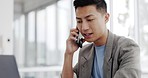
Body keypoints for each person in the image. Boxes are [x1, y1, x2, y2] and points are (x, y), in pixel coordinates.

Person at [61, 0, 141, 78]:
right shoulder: (85, 52)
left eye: (90, 20)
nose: (84, 27)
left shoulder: (128, 48)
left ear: (106, 18)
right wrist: (68, 54)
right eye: (79, 21)